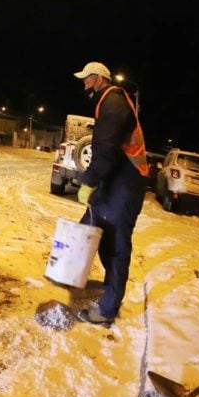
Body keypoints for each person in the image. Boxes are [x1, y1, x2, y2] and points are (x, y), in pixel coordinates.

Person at [73, 61, 149, 327]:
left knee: (116, 245)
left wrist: (88, 182)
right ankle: (103, 290)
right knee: (99, 234)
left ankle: (107, 310)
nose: (83, 83)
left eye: (86, 78)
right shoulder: (109, 101)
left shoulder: (113, 101)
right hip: (117, 181)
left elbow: (105, 149)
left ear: (98, 78)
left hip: (127, 183)